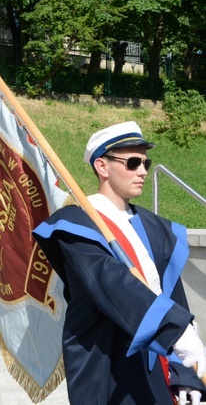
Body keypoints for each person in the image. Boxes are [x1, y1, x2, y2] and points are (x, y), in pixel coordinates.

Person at [33, 121, 206, 404]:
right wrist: (178, 334)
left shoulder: (156, 228)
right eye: (133, 162)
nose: (142, 171)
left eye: (146, 163)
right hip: (109, 364)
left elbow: (173, 299)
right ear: (102, 167)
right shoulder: (77, 226)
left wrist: (185, 370)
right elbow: (113, 283)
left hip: (157, 363)